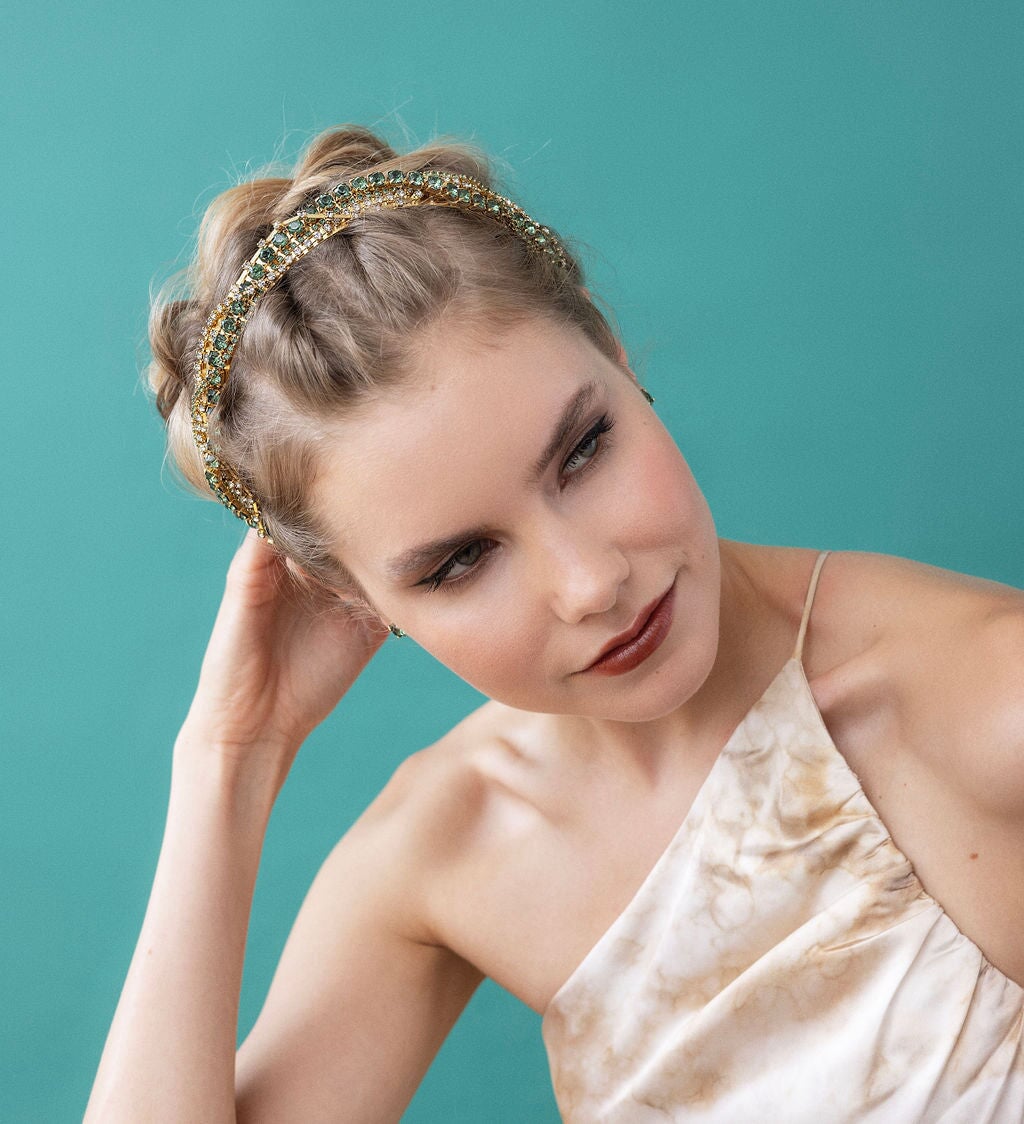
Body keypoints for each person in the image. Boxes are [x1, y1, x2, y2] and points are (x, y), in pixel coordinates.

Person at [86, 125, 1024, 1123]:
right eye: (460, 561)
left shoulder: (982, 695)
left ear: (615, 354)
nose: (588, 584)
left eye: (583, 450)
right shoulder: (451, 838)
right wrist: (230, 757)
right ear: (353, 603)